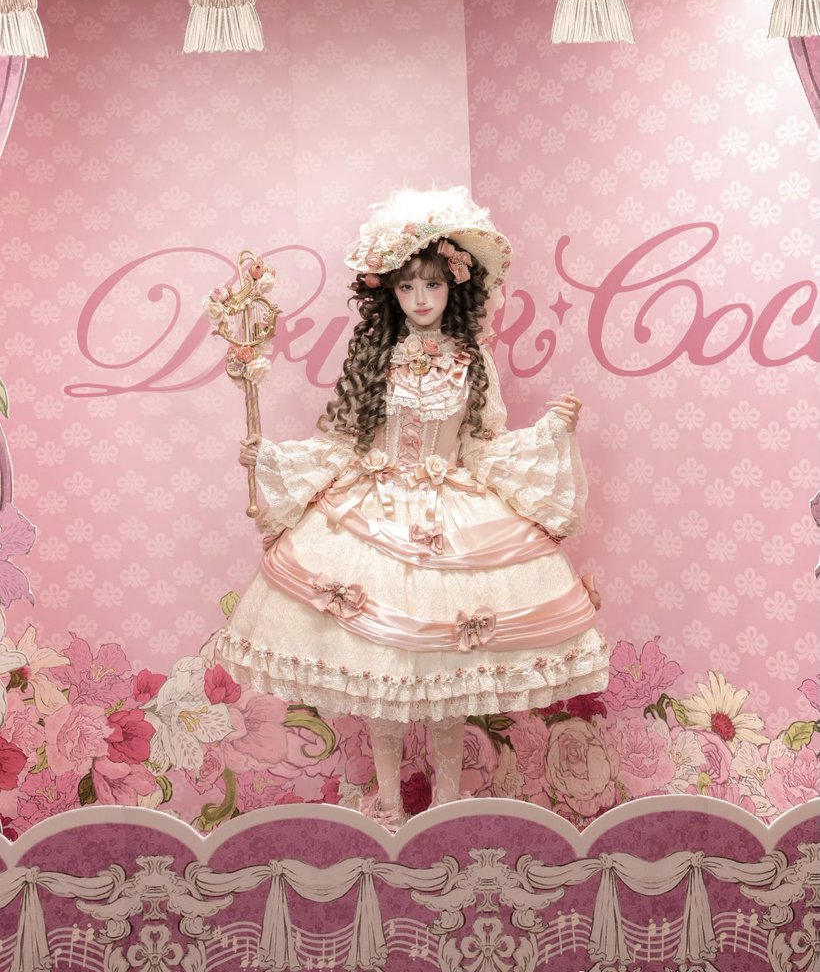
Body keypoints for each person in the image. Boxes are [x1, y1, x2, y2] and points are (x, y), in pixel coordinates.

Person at [215, 187, 608, 827]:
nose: (420, 299)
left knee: (445, 685)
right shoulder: (374, 356)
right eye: (405, 287)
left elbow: (483, 446)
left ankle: (446, 811)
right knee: (382, 679)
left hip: (451, 516)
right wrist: (269, 459)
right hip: (372, 513)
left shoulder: (473, 360)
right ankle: (390, 807)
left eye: (431, 285)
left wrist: (549, 434)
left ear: (455, 287)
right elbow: (341, 443)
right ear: (388, 294)